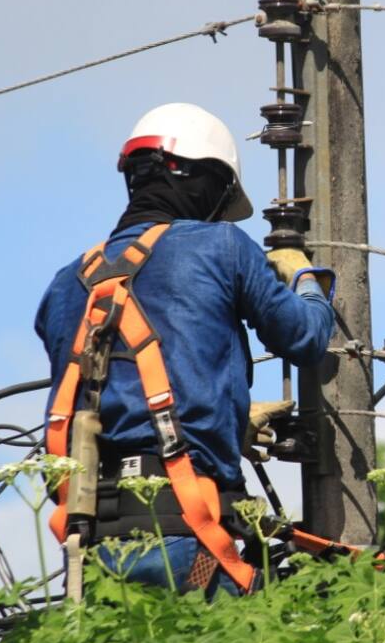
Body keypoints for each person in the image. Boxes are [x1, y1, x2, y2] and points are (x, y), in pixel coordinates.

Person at [35, 102, 334, 596]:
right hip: (186, 532)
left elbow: (115, 386)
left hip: (90, 546)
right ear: (207, 182)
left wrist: (228, 419)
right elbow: (304, 337)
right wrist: (303, 275)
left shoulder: (66, 284)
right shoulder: (223, 246)